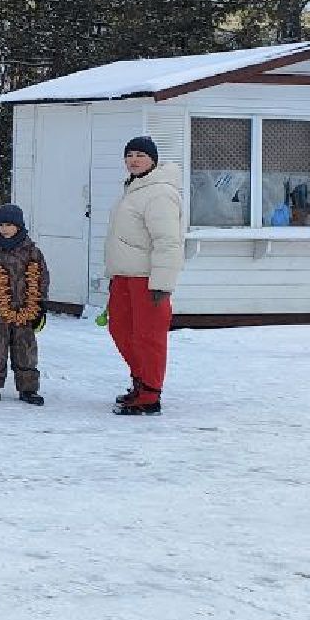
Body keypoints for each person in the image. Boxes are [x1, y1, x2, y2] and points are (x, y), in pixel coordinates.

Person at [105, 136, 183, 415]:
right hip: (125, 276)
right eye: (129, 155)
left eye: (140, 155)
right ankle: (141, 381)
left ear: (153, 159)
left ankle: (150, 394)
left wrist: (162, 283)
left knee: (148, 336)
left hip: (147, 279)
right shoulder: (133, 189)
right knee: (121, 330)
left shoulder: (159, 192)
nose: (134, 160)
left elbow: (168, 241)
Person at [0, 203, 46, 405]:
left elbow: (41, 279)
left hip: (26, 309)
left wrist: (41, 305)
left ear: (19, 227)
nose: (4, 229)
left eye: (9, 225)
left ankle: (28, 388)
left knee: (26, 349)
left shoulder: (32, 253)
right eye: (1, 225)